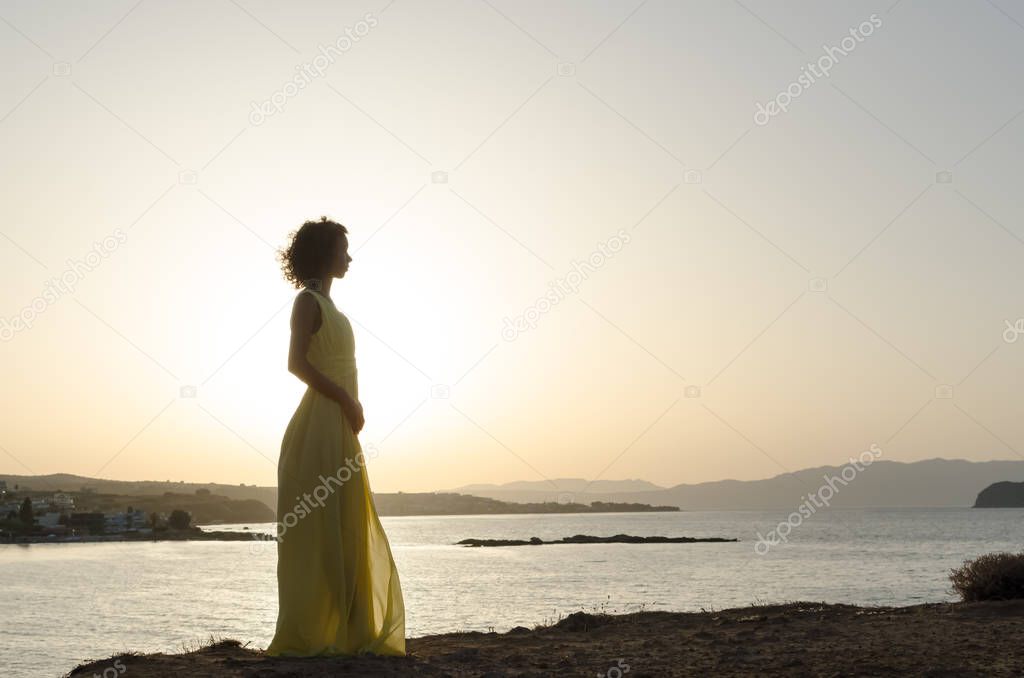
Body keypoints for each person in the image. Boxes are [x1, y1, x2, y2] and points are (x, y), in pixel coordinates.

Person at [265, 216, 405, 656]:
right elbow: (296, 364)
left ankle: (350, 632)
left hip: (340, 430)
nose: (349, 256)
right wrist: (346, 400)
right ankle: (315, 634)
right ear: (326, 253)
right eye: (343, 249)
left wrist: (349, 407)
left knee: (348, 528)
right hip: (318, 430)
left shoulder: (335, 310)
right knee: (318, 534)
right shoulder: (306, 302)